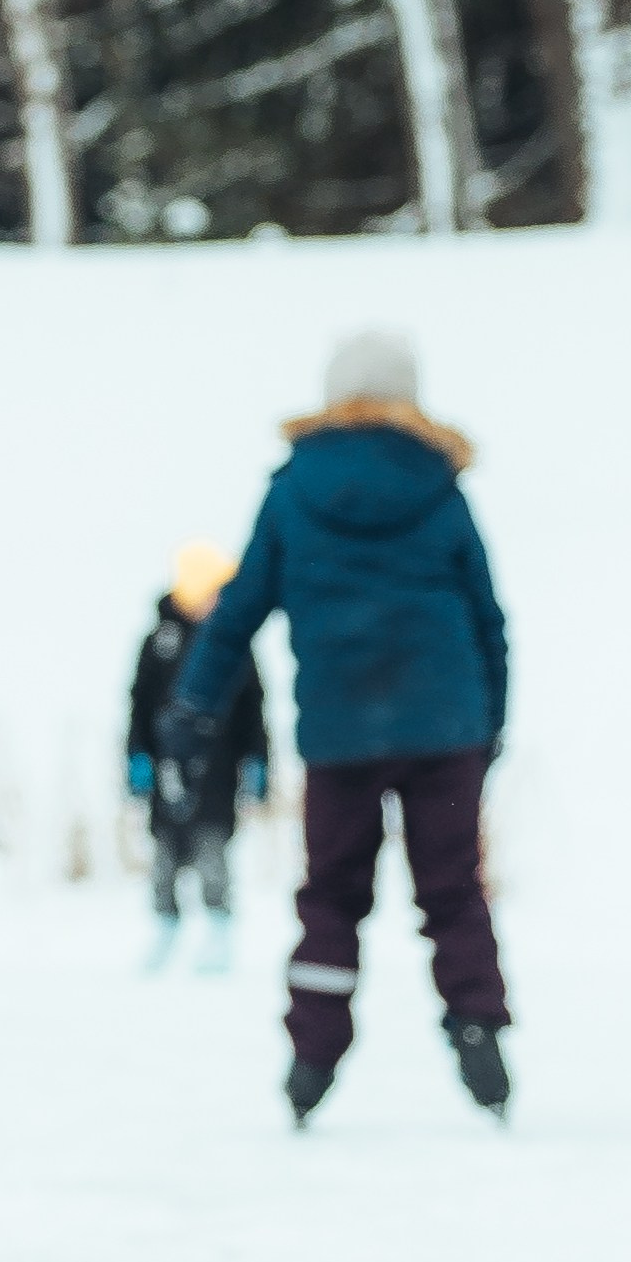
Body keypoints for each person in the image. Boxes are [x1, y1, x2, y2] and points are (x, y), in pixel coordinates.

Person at [166, 328, 512, 1128]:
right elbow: (489, 618)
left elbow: (236, 613)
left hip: (340, 731)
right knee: (454, 892)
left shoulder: (294, 490)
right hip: (444, 727)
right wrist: (489, 724)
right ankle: (480, 1032)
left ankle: (312, 1059)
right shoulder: (443, 488)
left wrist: (192, 709)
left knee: (331, 896)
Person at [125, 539, 268, 973]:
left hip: (219, 771)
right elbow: (138, 705)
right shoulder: (158, 642)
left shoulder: (235, 643)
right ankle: (165, 929)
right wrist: (137, 757)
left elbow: (254, 711)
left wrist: (258, 762)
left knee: (212, 852)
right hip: (167, 770)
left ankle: (219, 931)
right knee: (166, 855)